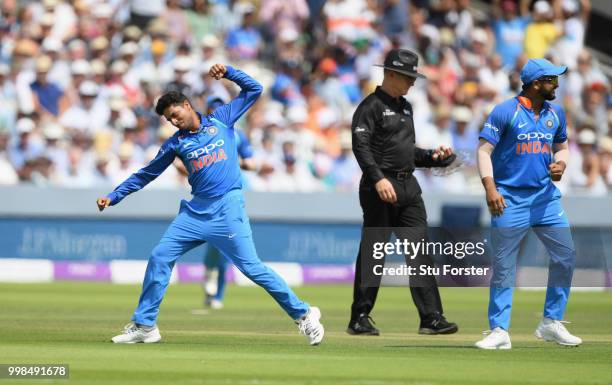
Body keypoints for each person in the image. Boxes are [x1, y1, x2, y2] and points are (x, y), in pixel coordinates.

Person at [97, 64, 324, 346]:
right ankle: (145, 325)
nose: (174, 121)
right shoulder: (175, 144)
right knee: (160, 256)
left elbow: (255, 89)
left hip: (228, 208)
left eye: (175, 114)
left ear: (186, 104)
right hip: (195, 212)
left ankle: (304, 314)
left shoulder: (221, 120)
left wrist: (229, 72)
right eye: (169, 119)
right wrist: (115, 195)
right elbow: (147, 173)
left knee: (252, 268)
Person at [348, 48, 459, 336]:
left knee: (420, 252)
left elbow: (406, 152)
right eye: (408, 76)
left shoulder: (406, 107)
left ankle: (431, 317)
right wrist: (377, 180)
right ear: (391, 74)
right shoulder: (370, 106)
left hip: (408, 187)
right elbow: (360, 147)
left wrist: (434, 158)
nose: (412, 82)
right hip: (379, 188)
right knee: (374, 253)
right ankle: (359, 317)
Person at [475, 58, 581, 349]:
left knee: (566, 257)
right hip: (509, 199)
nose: (557, 85)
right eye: (552, 80)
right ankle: (499, 331)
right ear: (536, 83)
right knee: (505, 265)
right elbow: (484, 152)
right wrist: (490, 188)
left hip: (546, 198)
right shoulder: (505, 111)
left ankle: (551, 322)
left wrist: (561, 163)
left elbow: (562, 146)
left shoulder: (555, 112)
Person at [200, 95, 257, 310]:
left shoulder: (238, 136)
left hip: (232, 192)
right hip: (209, 192)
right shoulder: (202, 135)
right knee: (212, 240)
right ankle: (209, 273)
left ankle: (217, 295)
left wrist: (233, 160)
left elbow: (252, 163)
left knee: (226, 245)